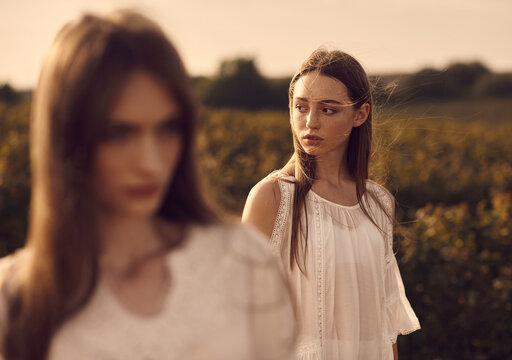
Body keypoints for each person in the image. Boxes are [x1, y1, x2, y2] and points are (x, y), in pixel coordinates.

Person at [0, 10, 295, 360]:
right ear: (67, 139)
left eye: (168, 128)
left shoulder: (243, 261)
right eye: (119, 133)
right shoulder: (17, 300)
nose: (151, 163)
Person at [242, 49, 420, 360]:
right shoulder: (272, 198)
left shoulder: (378, 203)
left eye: (328, 110)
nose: (310, 121)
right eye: (301, 107)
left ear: (360, 114)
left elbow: (386, 322)